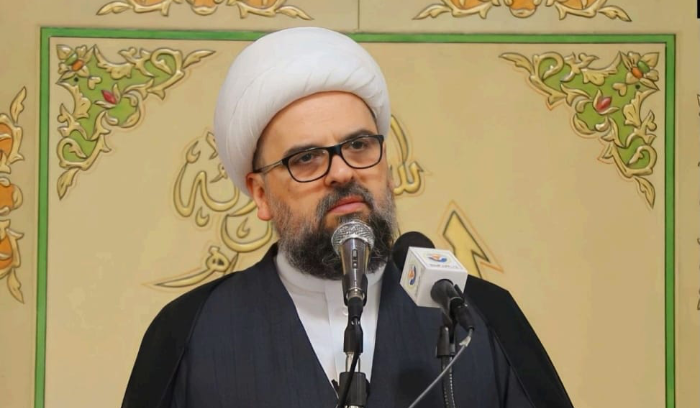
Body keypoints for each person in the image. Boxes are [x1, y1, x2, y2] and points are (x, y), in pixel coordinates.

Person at [121, 27, 573, 408]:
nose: (341, 172)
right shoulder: (191, 332)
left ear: (387, 167)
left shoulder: (479, 315)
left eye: (358, 146)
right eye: (307, 157)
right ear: (260, 194)